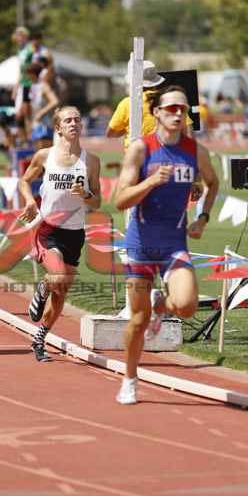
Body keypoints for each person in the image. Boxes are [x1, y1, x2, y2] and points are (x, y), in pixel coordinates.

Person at [114, 85, 219, 404]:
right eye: (171, 108)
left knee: (186, 306)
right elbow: (120, 200)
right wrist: (150, 181)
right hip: (141, 245)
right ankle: (129, 379)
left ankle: (163, 305)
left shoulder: (195, 151)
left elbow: (213, 183)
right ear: (157, 113)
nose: (177, 113)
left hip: (174, 244)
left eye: (182, 109)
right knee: (138, 320)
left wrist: (202, 218)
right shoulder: (140, 149)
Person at [18, 106, 101, 362]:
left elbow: (97, 202)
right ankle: (42, 287)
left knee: (61, 292)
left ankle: (39, 339)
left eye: (77, 119)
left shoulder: (91, 161)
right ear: (58, 128)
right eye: (68, 120)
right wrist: (29, 201)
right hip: (48, 230)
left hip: (74, 234)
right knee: (57, 276)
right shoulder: (45, 155)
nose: (73, 123)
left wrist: (86, 194)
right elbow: (24, 181)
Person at [106, 61, 193, 148]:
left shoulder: (127, 103)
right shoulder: (170, 99)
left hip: (136, 153)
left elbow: (110, 133)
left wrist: (128, 128)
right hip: (167, 153)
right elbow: (188, 131)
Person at [26, 62, 59, 130]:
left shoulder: (44, 86)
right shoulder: (32, 86)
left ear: (33, 74)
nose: (27, 76)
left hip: (45, 123)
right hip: (35, 122)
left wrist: (41, 113)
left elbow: (55, 101)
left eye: (29, 73)